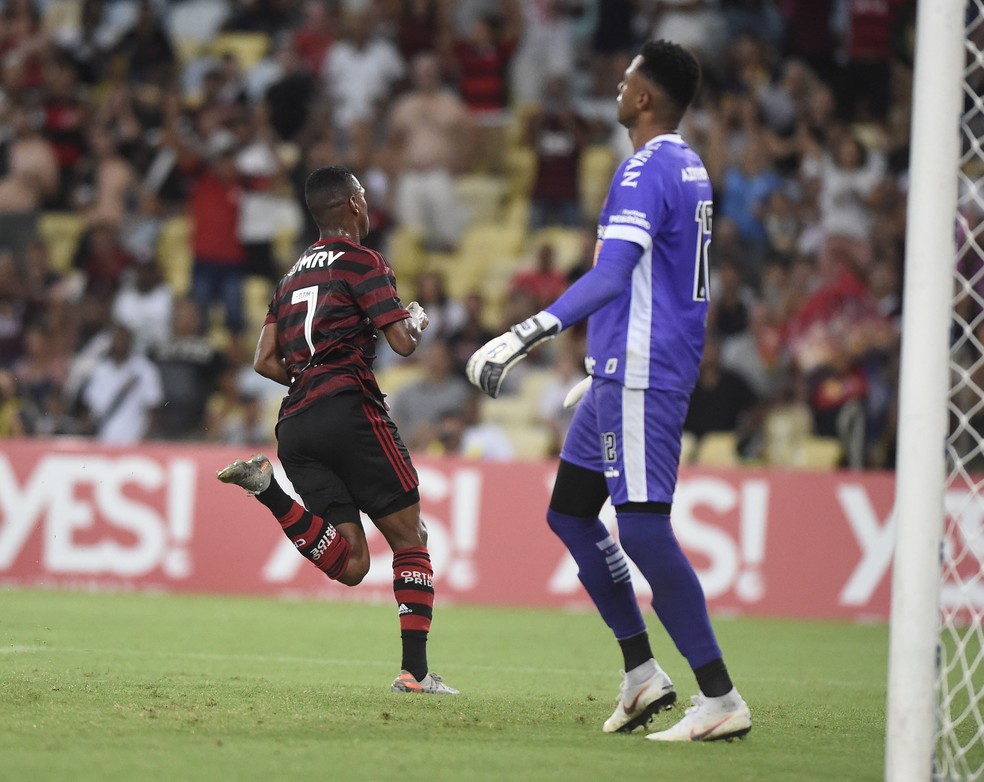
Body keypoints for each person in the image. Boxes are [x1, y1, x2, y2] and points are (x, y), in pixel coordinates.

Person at [466, 40, 751, 741]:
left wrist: (525, 331)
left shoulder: (644, 167)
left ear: (645, 98)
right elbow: (649, 277)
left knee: (645, 529)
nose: (616, 86)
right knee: (568, 513)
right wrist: (598, 364)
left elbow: (614, 273)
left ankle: (719, 697)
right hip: (620, 370)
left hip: (644, 369)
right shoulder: (688, 165)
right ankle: (641, 674)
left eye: (625, 78)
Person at [216, 165, 458, 696]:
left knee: (350, 563)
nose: (368, 206)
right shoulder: (364, 261)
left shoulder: (290, 277)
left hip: (296, 423)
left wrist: (309, 375)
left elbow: (263, 361)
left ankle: (269, 490)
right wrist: (414, 318)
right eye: (364, 198)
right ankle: (414, 674)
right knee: (409, 537)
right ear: (350, 203)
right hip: (348, 408)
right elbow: (403, 344)